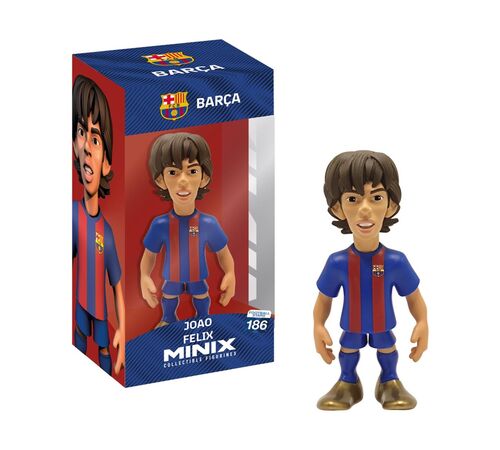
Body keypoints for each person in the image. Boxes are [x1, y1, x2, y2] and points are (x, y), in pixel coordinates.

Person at [314, 150, 428, 410]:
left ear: (390, 205)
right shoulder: (337, 263)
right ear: (337, 208)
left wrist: (422, 322)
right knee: (348, 349)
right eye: (352, 199)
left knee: (386, 347)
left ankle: (389, 381)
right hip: (351, 324)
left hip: (382, 323)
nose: (365, 210)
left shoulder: (396, 261)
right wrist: (317, 326)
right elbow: (324, 299)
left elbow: (414, 297)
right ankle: (347, 382)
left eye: (376, 198)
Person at [140, 132, 235, 328]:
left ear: (204, 177)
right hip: (172, 275)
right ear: (160, 180)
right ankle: (168, 319)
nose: (183, 180)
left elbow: (223, 252)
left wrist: (230, 273)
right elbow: (149, 254)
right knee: (169, 295)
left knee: (201, 294)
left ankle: (203, 319)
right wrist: (144, 276)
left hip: (197, 275)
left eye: (192, 171)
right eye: (173, 172)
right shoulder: (160, 224)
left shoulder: (208, 223)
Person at [72, 75, 125, 375]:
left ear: (106, 163)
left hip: (102, 312)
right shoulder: (71, 215)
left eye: (96, 138)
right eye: (82, 132)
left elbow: (117, 287)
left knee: (104, 351)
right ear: (73, 144)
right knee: (79, 341)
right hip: (80, 306)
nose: (88, 148)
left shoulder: (108, 232)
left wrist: (124, 333)